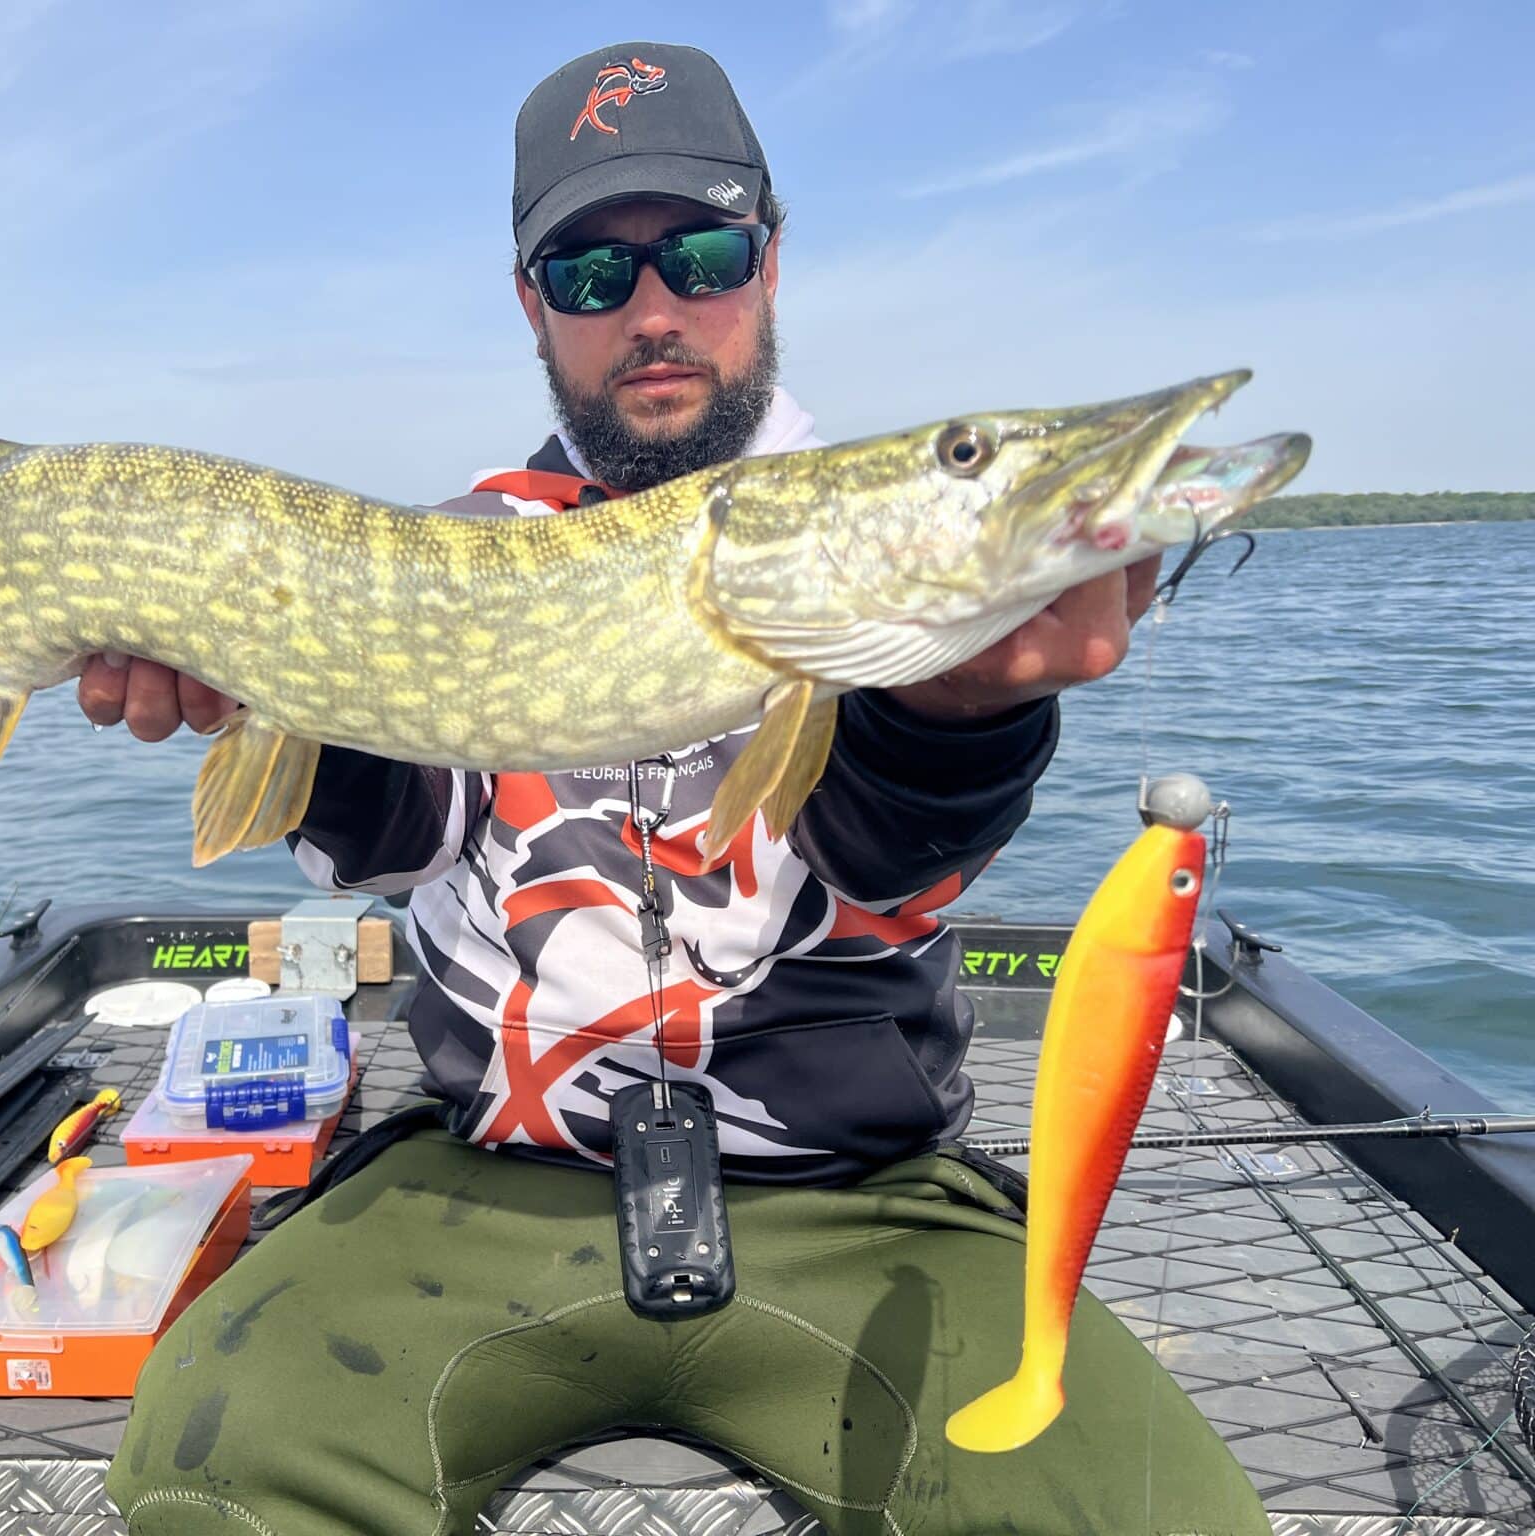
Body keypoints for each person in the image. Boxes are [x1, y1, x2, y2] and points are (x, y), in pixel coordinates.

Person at [88, 42, 1269, 1536]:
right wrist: (258, 688)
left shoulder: (863, 537)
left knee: (1155, 1518)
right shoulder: (466, 543)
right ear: (534, 307)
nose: (653, 309)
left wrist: (961, 711)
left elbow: (878, 858)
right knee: (207, 1465)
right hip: (487, 1187)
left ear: (767, 265)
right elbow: (410, 823)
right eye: (589, 274)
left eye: (699, 253)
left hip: (858, 1194)